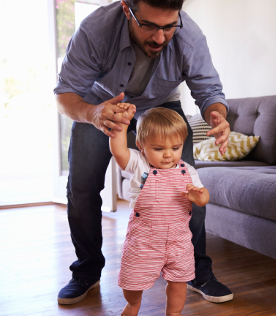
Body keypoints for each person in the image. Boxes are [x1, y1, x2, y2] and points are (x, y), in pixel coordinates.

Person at [54, 0, 232, 305]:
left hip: (162, 104)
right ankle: (86, 271)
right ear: (127, 9)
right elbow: (65, 94)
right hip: (99, 104)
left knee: (187, 187)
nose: (161, 37)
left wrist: (217, 114)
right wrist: (93, 113)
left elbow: (210, 91)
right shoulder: (96, 30)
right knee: (81, 188)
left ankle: (197, 272)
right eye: (149, 25)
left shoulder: (189, 36)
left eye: (169, 26)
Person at [111, 105, 208, 316]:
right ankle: (133, 304)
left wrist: (200, 197)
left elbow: (203, 196)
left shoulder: (187, 170)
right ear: (141, 145)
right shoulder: (139, 163)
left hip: (179, 240)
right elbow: (118, 151)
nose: (168, 155)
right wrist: (120, 124)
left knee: (179, 280)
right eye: (158, 148)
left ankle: (174, 313)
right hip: (144, 240)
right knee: (132, 282)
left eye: (175, 147)